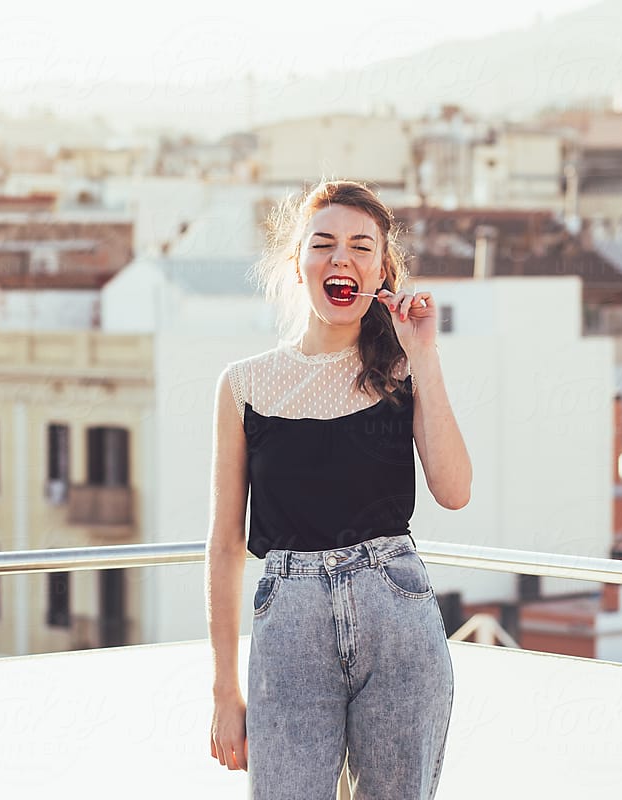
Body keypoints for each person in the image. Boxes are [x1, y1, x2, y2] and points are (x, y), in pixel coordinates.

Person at [205, 179, 472, 799]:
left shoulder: (403, 371)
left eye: (360, 246)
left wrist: (424, 356)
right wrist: (225, 689)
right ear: (298, 265)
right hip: (288, 624)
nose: (340, 259)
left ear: (381, 268)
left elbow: (455, 491)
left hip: (396, 611)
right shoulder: (245, 385)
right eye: (322, 245)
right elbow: (224, 546)